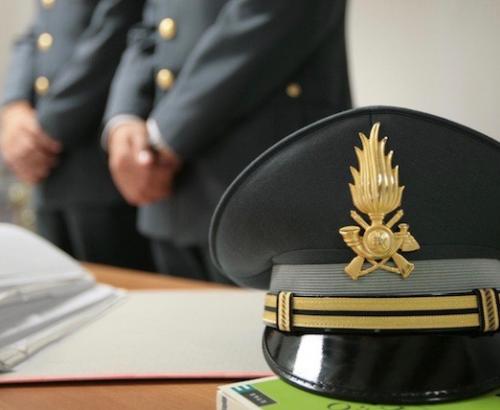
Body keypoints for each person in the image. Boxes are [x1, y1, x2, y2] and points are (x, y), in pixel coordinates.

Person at [104, 0, 351, 281]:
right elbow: (150, 27)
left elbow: (272, 15)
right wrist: (124, 119)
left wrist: (162, 137)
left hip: (264, 180)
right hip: (171, 189)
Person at [0, 0, 153, 270]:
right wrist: (14, 107)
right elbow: (38, 27)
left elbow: (116, 30)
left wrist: (40, 135)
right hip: (49, 172)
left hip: (100, 168)